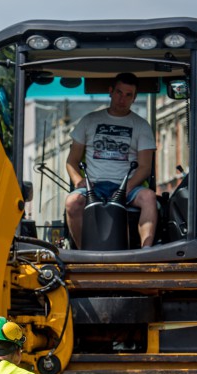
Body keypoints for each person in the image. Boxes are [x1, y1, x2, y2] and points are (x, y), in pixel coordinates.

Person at [64, 72, 158, 249]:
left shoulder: (141, 126)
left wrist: (128, 187)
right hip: (94, 186)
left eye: (128, 95)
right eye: (119, 93)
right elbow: (72, 160)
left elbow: (145, 167)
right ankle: (84, 252)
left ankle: (146, 251)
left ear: (134, 98)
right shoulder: (89, 121)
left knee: (149, 197)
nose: (122, 99)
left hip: (127, 187)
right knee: (72, 202)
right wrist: (78, 181)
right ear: (110, 92)